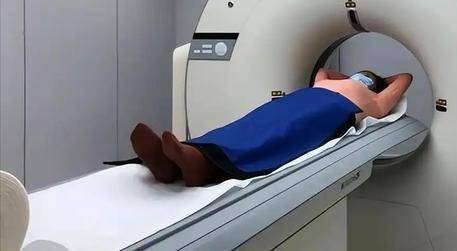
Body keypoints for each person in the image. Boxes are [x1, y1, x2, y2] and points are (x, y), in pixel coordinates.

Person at [129, 68, 412, 187]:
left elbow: (405, 77)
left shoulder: (374, 101)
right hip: (296, 102)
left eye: (366, 79)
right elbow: (323, 69)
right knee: (248, 126)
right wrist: (351, 77)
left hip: (324, 113)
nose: (360, 79)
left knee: (273, 136)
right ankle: (172, 160)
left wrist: (377, 81)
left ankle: (196, 165)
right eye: (360, 75)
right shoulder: (325, 81)